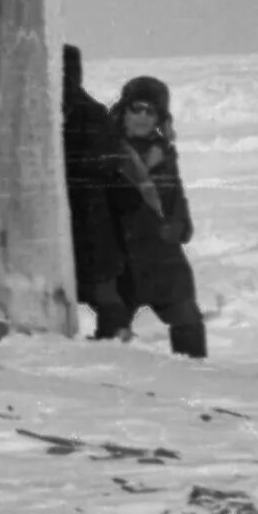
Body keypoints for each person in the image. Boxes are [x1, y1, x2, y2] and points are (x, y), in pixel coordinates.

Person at [95, 73, 207, 358]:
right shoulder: (107, 152)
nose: (143, 117)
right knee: (111, 341)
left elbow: (176, 201)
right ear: (124, 111)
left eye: (151, 111)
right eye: (137, 108)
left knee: (188, 323)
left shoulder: (164, 154)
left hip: (162, 260)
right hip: (121, 263)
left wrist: (180, 227)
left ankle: (196, 384)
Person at [60, 45, 130, 338]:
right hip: (73, 214)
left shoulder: (89, 112)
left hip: (89, 213)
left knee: (99, 287)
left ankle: (115, 340)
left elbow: (105, 161)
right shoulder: (81, 110)